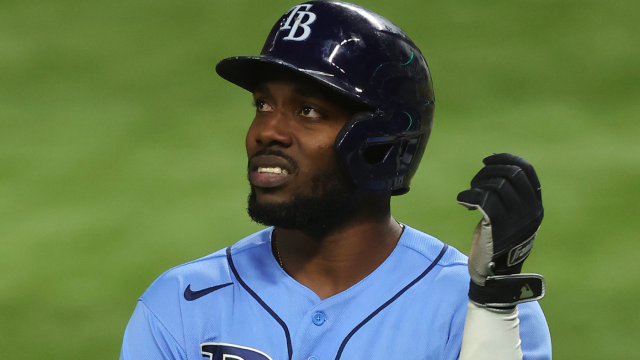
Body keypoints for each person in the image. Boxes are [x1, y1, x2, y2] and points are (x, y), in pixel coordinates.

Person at [120, 2, 552, 359]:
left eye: (308, 111)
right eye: (263, 104)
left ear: (379, 143)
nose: (267, 131)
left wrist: (493, 305)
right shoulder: (181, 303)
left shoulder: (476, 310)